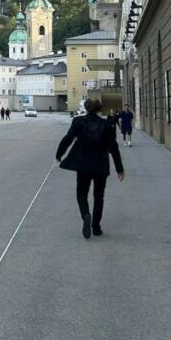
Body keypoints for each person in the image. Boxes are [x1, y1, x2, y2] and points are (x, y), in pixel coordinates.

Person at [55, 98, 124, 239]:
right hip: (100, 164)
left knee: (81, 193)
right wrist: (119, 169)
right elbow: (113, 147)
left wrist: (59, 154)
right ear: (99, 108)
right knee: (99, 196)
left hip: (83, 164)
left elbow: (68, 138)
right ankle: (96, 227)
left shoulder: (78, 122)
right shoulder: (106, 124)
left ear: (86, 108)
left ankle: (86, 215)